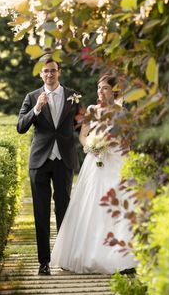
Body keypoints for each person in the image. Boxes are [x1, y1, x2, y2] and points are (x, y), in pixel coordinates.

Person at [51, 74, 137, 274]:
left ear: (114, 91)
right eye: (99, 88)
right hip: (96, 161)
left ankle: (122, 259)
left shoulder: (123, 113)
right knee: (92, 204)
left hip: (117, 161)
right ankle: (81, 254)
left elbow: (128, 140)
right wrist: (91, 146)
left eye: (105, 88)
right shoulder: (91, 110)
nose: (100, 92)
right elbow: (82, 135)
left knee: (119, 205)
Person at [17, 56, 81, 276]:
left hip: (63, 160)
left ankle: (64, 258)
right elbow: (20, 127)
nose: (50, 74)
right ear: (41, 74)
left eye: (53, 70)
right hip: (39, 162)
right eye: (46, 71)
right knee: (41, 212)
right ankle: (44, 262)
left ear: (59, 72)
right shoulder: (32, 97)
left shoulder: (73, 96)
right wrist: (36, 109)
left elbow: (81, 125)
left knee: (64, 210)